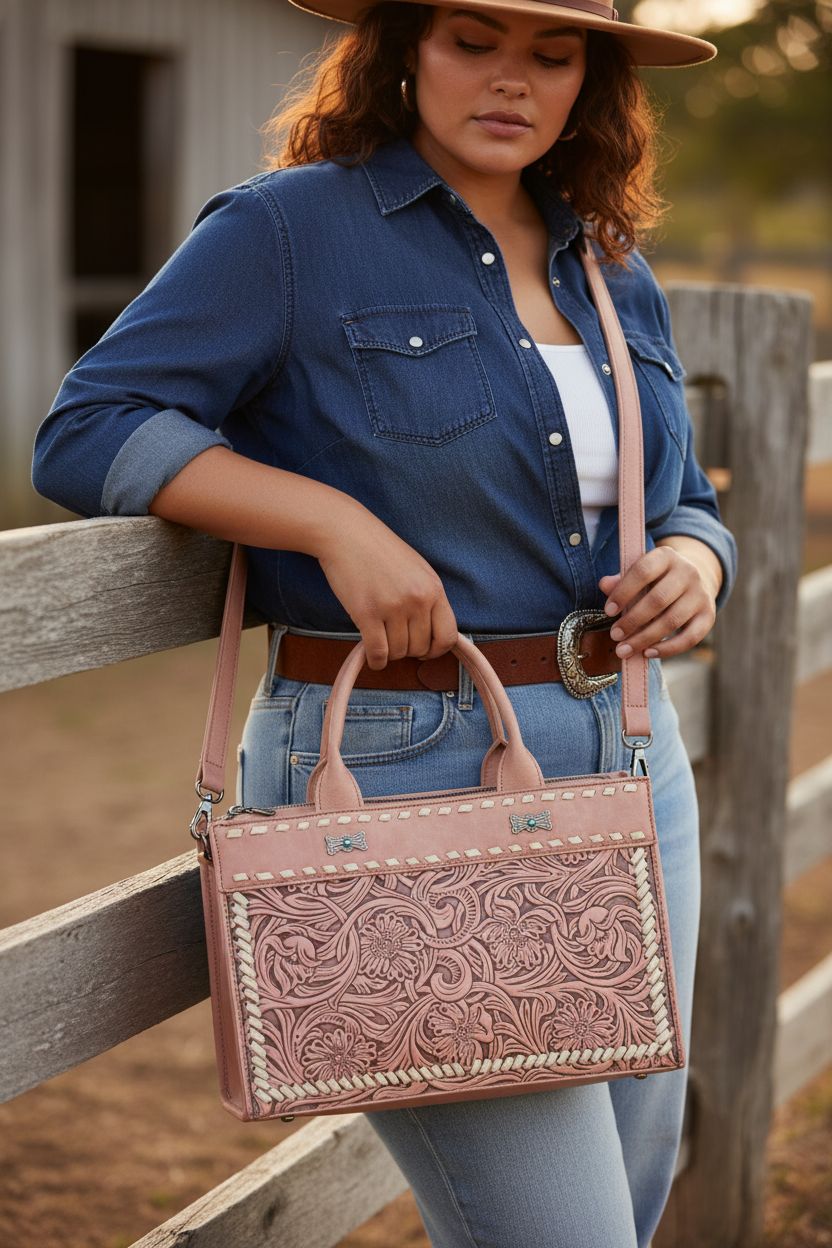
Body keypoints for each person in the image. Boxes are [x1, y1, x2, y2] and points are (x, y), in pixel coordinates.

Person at [32, 0, 738, 1243]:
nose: (511, 80)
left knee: (631, 1184)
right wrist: (326, 521)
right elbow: (90, 427)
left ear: (594, 83)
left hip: (631, 759)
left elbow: (679, 490)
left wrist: (697, 552)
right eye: (474, 40)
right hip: (406, 766)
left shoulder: (607, 261)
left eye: (553, 54)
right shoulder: (287, 231)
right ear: (403, 47)